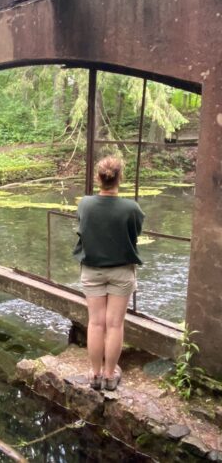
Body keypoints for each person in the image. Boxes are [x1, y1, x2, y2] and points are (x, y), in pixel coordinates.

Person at [73, 156, 144, 391]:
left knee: (95, 323)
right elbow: (136, 232)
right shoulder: (131, 208)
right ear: (119, 178)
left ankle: (94, 375)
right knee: (114, 325)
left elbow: (82, 228)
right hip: (122, 272)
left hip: (92, 270)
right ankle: (110, 375)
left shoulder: (85, 204)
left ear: (98, 178)